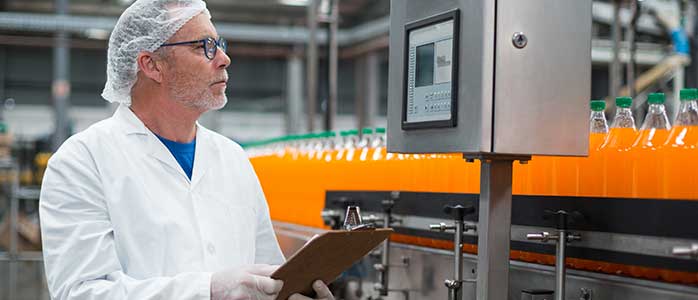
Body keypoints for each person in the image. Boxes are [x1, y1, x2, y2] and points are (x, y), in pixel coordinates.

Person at [39, 1, 334, 299]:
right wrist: (207, 290)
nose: (224, 59)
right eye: (203, 46)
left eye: (219, 44)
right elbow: (80, 292)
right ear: (152, 64)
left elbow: (268, 271)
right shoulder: (82, 162)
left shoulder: (233, 158)